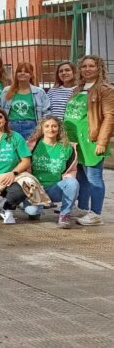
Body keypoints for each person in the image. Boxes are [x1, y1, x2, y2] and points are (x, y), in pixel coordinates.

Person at [64, 55, 114, 226]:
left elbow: (109, 117)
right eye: (84, 66)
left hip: (91, 141)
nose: (87, 69)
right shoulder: (77, 89)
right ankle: (83, 209)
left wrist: (102, 141)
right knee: (80, 177)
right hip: (74, 141)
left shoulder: (105, 89)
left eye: (91, 66)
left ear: (99, 68)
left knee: (94, 177)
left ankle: (96, 214)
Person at [24, 117, 79, 228]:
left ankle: (64, 215)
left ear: (59, 128)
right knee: (32, 211)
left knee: (73, 183)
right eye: (47, 126)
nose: (51, 129)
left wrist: (68, 179)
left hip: (54, 188)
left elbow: (71, 170)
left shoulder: (67, 148)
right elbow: (24, 168)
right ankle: (38, 207)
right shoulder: (31, 146)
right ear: (42, 129)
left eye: (54, 126)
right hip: (34, 189)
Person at [0, 62, 50, 139]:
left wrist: (41, 128)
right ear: (16, 74)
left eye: (26, 72)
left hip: (32, 127)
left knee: (30, 150)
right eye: (20, 71)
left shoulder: (39, 92)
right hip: (11, 127)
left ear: (31, 75)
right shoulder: (7, 91)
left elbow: (46, 112)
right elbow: (0, 109)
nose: (22, 73)